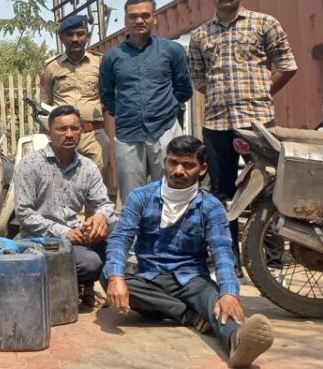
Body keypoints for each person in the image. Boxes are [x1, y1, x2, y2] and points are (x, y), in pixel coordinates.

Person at [103, 135, 274, 368]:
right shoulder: (141, 196)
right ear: (165, 162)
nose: (178, 171)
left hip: (192, 280)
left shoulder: (211, 206)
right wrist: (116, 277)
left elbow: (222, 251)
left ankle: (237, 341)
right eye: (173, 162)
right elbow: (120, 237)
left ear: (202, 169)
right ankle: (189, 314)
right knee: (108, 276)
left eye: (188, 165)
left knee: (216, 301)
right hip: (149, 279)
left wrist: (229, 293)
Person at [189, 0, 297, 273]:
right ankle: (229, 260)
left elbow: (287, 65)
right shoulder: (200, 35)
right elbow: (198, 78)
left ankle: (270, 260)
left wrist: (262, 92)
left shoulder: (264, 23)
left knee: (269, 187)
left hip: (258, 121)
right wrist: (222, 96)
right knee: (221, 193)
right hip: (217, 124)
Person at [15, 105, 116, 304]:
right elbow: (24, 213)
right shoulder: (29, 165)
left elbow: (104, 204)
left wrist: (100, 217)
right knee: (90, 263)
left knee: (117, 228)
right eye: (62, 129)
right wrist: (64, 232)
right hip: (40, 242)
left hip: (77, 235)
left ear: (81, 131)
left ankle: (111, 285)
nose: (69, 134)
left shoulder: (88, 167)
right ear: (49, 133)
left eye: (75, 128)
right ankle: (69, 286)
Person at [100, 0, 193, 203]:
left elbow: (184, 89)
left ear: (155, 18)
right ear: (125, 20)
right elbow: (106, 95)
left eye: (145, 15)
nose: (139, 21)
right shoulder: (112, 57)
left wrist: (165, 108)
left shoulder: (172, 50)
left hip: (165, 129)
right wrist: (126, 112)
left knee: (171, 191)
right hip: (128, 133)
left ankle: (171, 226)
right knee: (133, 198)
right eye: (133, 16)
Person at [41, 15, 109, 171]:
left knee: (95, 180)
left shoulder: (100, 63)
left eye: (80, 34)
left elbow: (109, 97)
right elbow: (44, 104)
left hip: (93, 135)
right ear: (61, 38)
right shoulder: (51, 67)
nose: (75, 39)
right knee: (60, 179)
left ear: (88, 36)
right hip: (63, 137)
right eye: (70, 35)